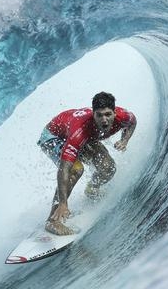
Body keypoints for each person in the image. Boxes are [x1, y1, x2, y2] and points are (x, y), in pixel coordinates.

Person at [37, 92, 137, 236]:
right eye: (99, 115)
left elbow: (133, 122)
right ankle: (53, 221)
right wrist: (64, 203)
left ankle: (92, 189)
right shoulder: (80, 131)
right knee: (76, 169)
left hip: (81, 134)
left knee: (108, 168)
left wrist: (125, 140)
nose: (104, 120)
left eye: (108, 114)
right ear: (93, 114)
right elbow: (64, 169)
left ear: (115, 113)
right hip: (53, 137)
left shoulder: (123, 116)